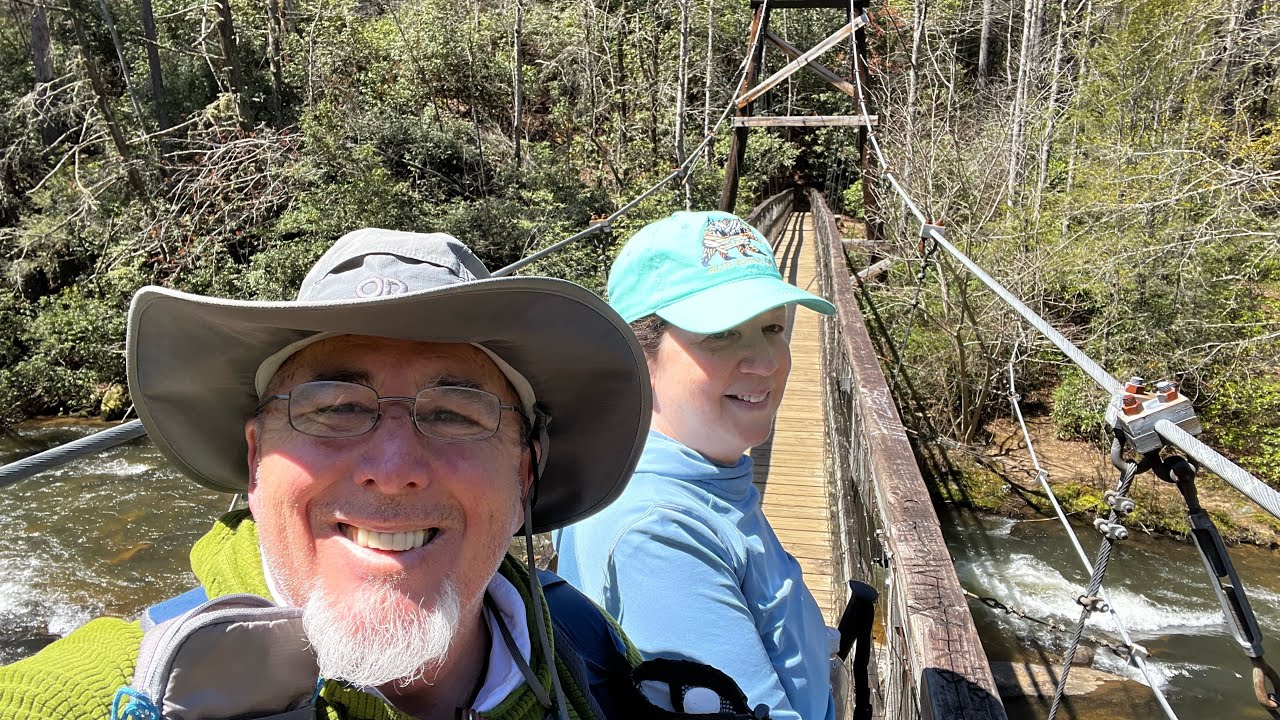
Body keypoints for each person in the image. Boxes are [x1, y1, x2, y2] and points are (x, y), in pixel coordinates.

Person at [0, 229, 661, 720]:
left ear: (524, 475)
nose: (393, 470)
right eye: (336, 408)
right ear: (257, 462)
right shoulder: (113, 691)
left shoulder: (590, 652)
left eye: (456, 414)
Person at [554, 211, 838, 720]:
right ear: (637, 358)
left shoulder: (708, 475)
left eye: (773, 327)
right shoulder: (659, 534)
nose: (767, 360)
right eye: (722, 334)